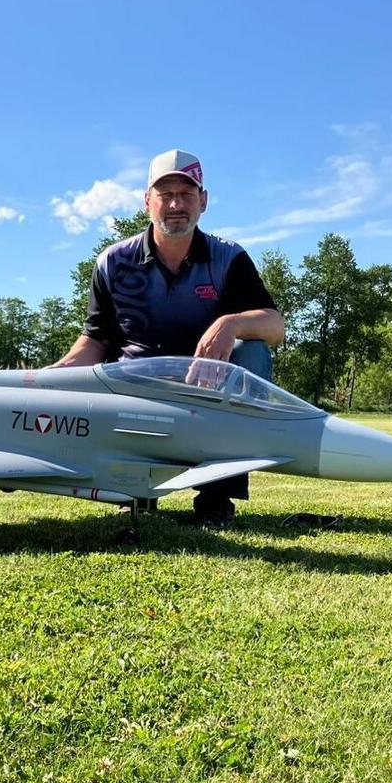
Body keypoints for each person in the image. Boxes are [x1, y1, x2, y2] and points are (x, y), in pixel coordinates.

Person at [52, 148, 285, 527]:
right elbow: (96, 339)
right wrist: (50, 379)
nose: (176, 204)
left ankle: (217, 496)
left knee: (253, 352)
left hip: (205, 388)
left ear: (203, 201)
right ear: (148, 202)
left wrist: (229, 324)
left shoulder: (229, 258)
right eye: (165, 194)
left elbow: (275, 326)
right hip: (137, 389)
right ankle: (135, 490)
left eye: (187, 193)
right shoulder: (112, 262)